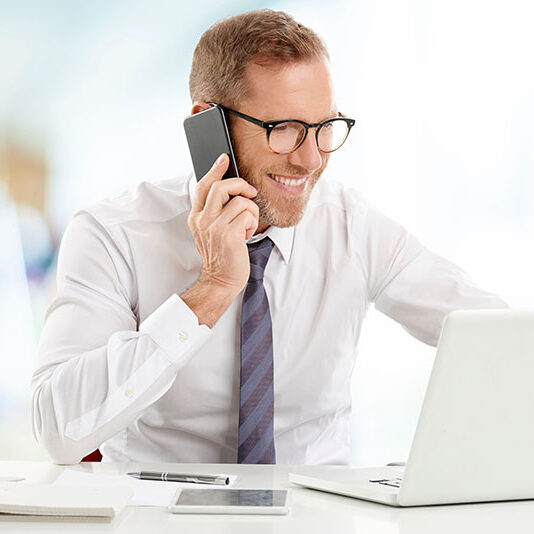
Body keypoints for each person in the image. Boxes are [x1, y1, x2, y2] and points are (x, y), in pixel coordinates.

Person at [32, 10, 506, 465]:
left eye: (324, 129)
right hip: (161, 514)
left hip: (318, 515)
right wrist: (211, 290)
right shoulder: (114, 234)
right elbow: (58, 432)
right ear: (207, 123)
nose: (311, 160)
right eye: (285, 130)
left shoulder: (352, 226)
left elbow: (504, 342)